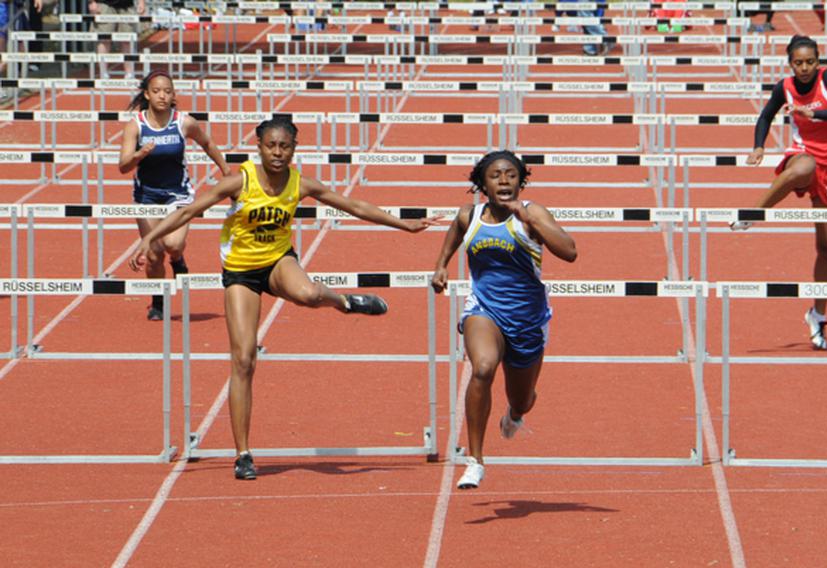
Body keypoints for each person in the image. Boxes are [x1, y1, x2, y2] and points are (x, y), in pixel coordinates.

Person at [129, 117, 438, 479]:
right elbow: (187, 211)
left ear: (293, 149)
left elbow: (351, 205)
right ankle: (243, 453)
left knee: (308, 293)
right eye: (271, 146)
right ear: (259, 147)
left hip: (278, 260)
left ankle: (345, 302)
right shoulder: (238, 181)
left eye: (285, 146)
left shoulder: (299, 183)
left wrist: (406, 224)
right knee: (243, 359)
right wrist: (147, 240)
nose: (278, 153)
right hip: (241, 271)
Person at [431, 150, 577, 489]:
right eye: (495, 175)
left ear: (521, 181)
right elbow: (454, 232)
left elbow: (569, 251)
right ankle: (475, 460)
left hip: (528, 320)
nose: (504, 181)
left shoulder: (533, 213)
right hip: (484, 310)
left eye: (511, 175)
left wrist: (528, 218)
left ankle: (515, 414)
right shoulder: (470, 216)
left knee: (522, 399)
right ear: (482, 183)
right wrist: (441, 265)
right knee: (482, 366)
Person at [731, 35, 827, 350]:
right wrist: (758, 146)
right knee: (801, 169)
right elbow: (765, 115)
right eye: (798, 62)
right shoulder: (784, 86)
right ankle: (752, 214)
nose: (804, 68)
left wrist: (814, 113)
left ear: (817, 61)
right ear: (790, 63)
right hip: (804, 153)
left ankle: (818, 315)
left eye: (809, 62)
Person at [119, 70, 230, 321]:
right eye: (157, 91)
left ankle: (178, 260)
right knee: (154, 254)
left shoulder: (183, 122)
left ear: (173, 96)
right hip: (146, 196)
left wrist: (225, 169)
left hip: (177, 194)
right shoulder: (135, 125)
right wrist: (138, 155)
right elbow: (123, 166)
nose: (162, 96)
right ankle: (158, 301)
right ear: (147, 94)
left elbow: (208, 144)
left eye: (168, 91)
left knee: (173, 244)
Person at [88, 0, 144, 79]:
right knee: (104, 39)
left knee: (127, 39)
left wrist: (141, 2)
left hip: (127, 6)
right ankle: (103, 73)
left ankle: (129, 73)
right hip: (104, 4)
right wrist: (92, 2)